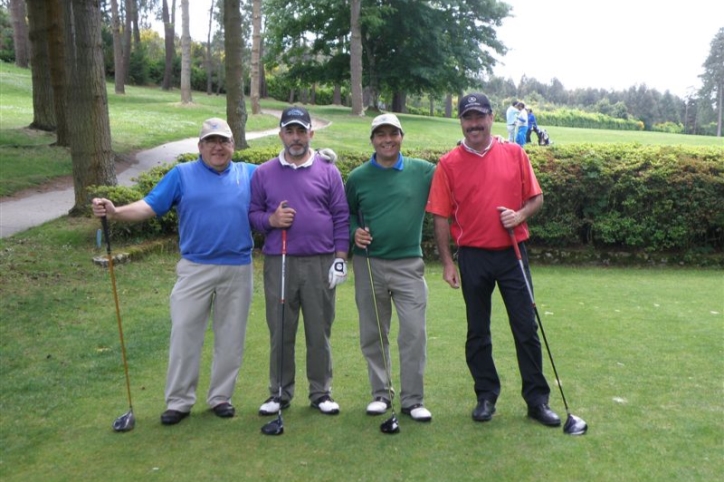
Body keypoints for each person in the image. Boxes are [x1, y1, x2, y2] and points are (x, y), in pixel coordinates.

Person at [92, 118, 256, 425]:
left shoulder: (249, 174)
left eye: (224, 141)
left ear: (233, 145)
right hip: (195, 268)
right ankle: (179, 401)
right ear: (200, 147)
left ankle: (221, 397)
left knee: (231, 338)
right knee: (184, 334)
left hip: (238, 268)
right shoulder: (181, 175)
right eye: (211, 141)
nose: (217, 147)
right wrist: (115, 213)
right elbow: (149, 206)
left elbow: (284, 185)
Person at [426, 93, 561, 428]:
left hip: (512, 253)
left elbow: (536, 198)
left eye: (480, 117)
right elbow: (440, 217)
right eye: (468, 118)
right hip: (472, 255)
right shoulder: (448, 164)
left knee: (525, 326)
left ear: (490, 118)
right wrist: (447, 262)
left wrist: (519, 215)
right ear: (461, 122)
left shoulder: (514, 152)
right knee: (478, 331)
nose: (474, 124)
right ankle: (486, 395)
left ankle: (537, 400)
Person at [249, 106, 350, 417]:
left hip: (320, 261)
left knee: (319, 331)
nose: (295, 137)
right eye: (289, 131)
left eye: (301, 131)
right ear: (280, 134)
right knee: (281, 330)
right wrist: (272, 219)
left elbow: (341, 217)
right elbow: (253, 215)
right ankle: (279, 392)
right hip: (280, 261)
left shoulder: (328, 171)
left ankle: (321, 392)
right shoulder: (264, 172)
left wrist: (340, 259)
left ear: (311, 134)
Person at [345, 113, 435, 422]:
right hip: (368, 263)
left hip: (409, 264)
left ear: (401, 136)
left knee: (413, 332)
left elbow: (456, 170)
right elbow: (348, 214)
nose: (387, 139)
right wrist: (353, 232)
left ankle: (413, 399)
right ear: (372, 140)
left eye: (393, 134)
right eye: (380, 134)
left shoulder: (422, 172)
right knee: (374, 332)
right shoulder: (357, 177)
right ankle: (381, 394)